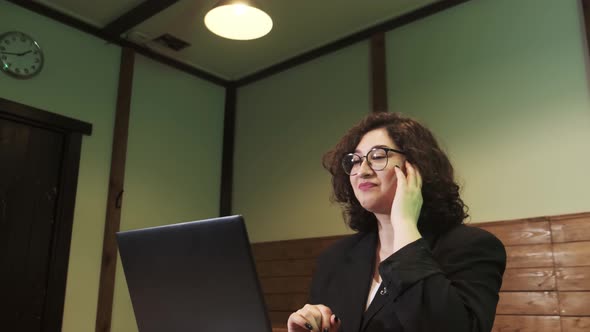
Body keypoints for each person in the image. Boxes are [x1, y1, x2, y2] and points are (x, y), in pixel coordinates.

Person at [287, 112, 506, 332]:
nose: (362, 171)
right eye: (355, 160)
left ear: (416, 167)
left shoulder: (471, 247)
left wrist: (403, 223)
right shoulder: (334, 257)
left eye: (378, 156)